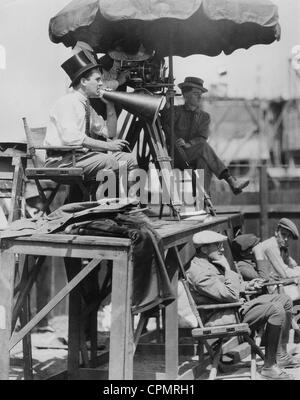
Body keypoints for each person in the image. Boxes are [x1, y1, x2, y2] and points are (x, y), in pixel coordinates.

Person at [186, 230, 300, 379]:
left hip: (234, 309)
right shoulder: (197, 272)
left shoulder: (209, 263)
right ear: (204, 249)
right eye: (217, 245)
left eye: (221, 245)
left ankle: (281, 355)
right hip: (222, 316)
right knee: (276, 309)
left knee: (284, 300)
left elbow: (229, 288)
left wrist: (248, 286)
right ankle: (269, 367)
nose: (221, 248)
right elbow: (230, 295)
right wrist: (227, 269)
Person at [43, 50, 137, 197]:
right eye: (98, 79)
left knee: (129, 159)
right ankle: (109, 206)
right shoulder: (67, 102)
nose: (101, 83)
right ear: (83, 81)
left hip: (79, 158)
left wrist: (110, 105)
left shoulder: (86, 105)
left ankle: (130, 203)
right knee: (109, 160)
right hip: (61, 161)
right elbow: (72, 139)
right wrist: (108, 146)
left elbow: (109, 133)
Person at [160, 76, 249, 195]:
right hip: (175, 155)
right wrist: (167, 101)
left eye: (200, 94)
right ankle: (230, 180)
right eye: (196, 93)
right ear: (185, 95)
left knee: (204, 161)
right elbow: (163, 120)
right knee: (203, 147)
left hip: (194, 154)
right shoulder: (175, 111)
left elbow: (202, 137)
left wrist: (188, 144)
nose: (200, 96)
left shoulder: (204, 116)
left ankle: (202, 201)